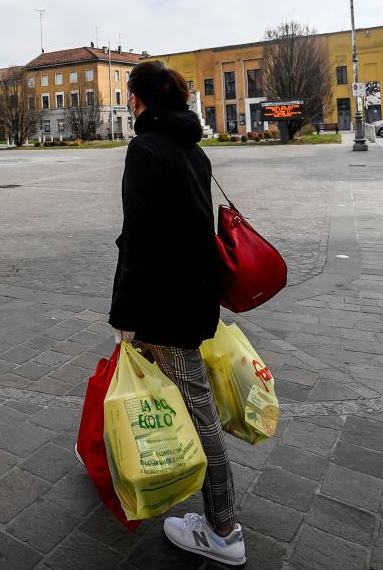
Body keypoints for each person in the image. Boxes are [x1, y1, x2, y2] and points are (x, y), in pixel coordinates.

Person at [110, 59, 245, 566]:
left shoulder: (144, 149)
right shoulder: (193, 149)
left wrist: (125, 313)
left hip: (166, 301)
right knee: (189, 401)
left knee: (198, 410)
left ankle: (224, 529)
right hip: (194, 292)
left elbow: (139, 239)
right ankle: (203, 507)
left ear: (138, 100)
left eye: (130, 92)